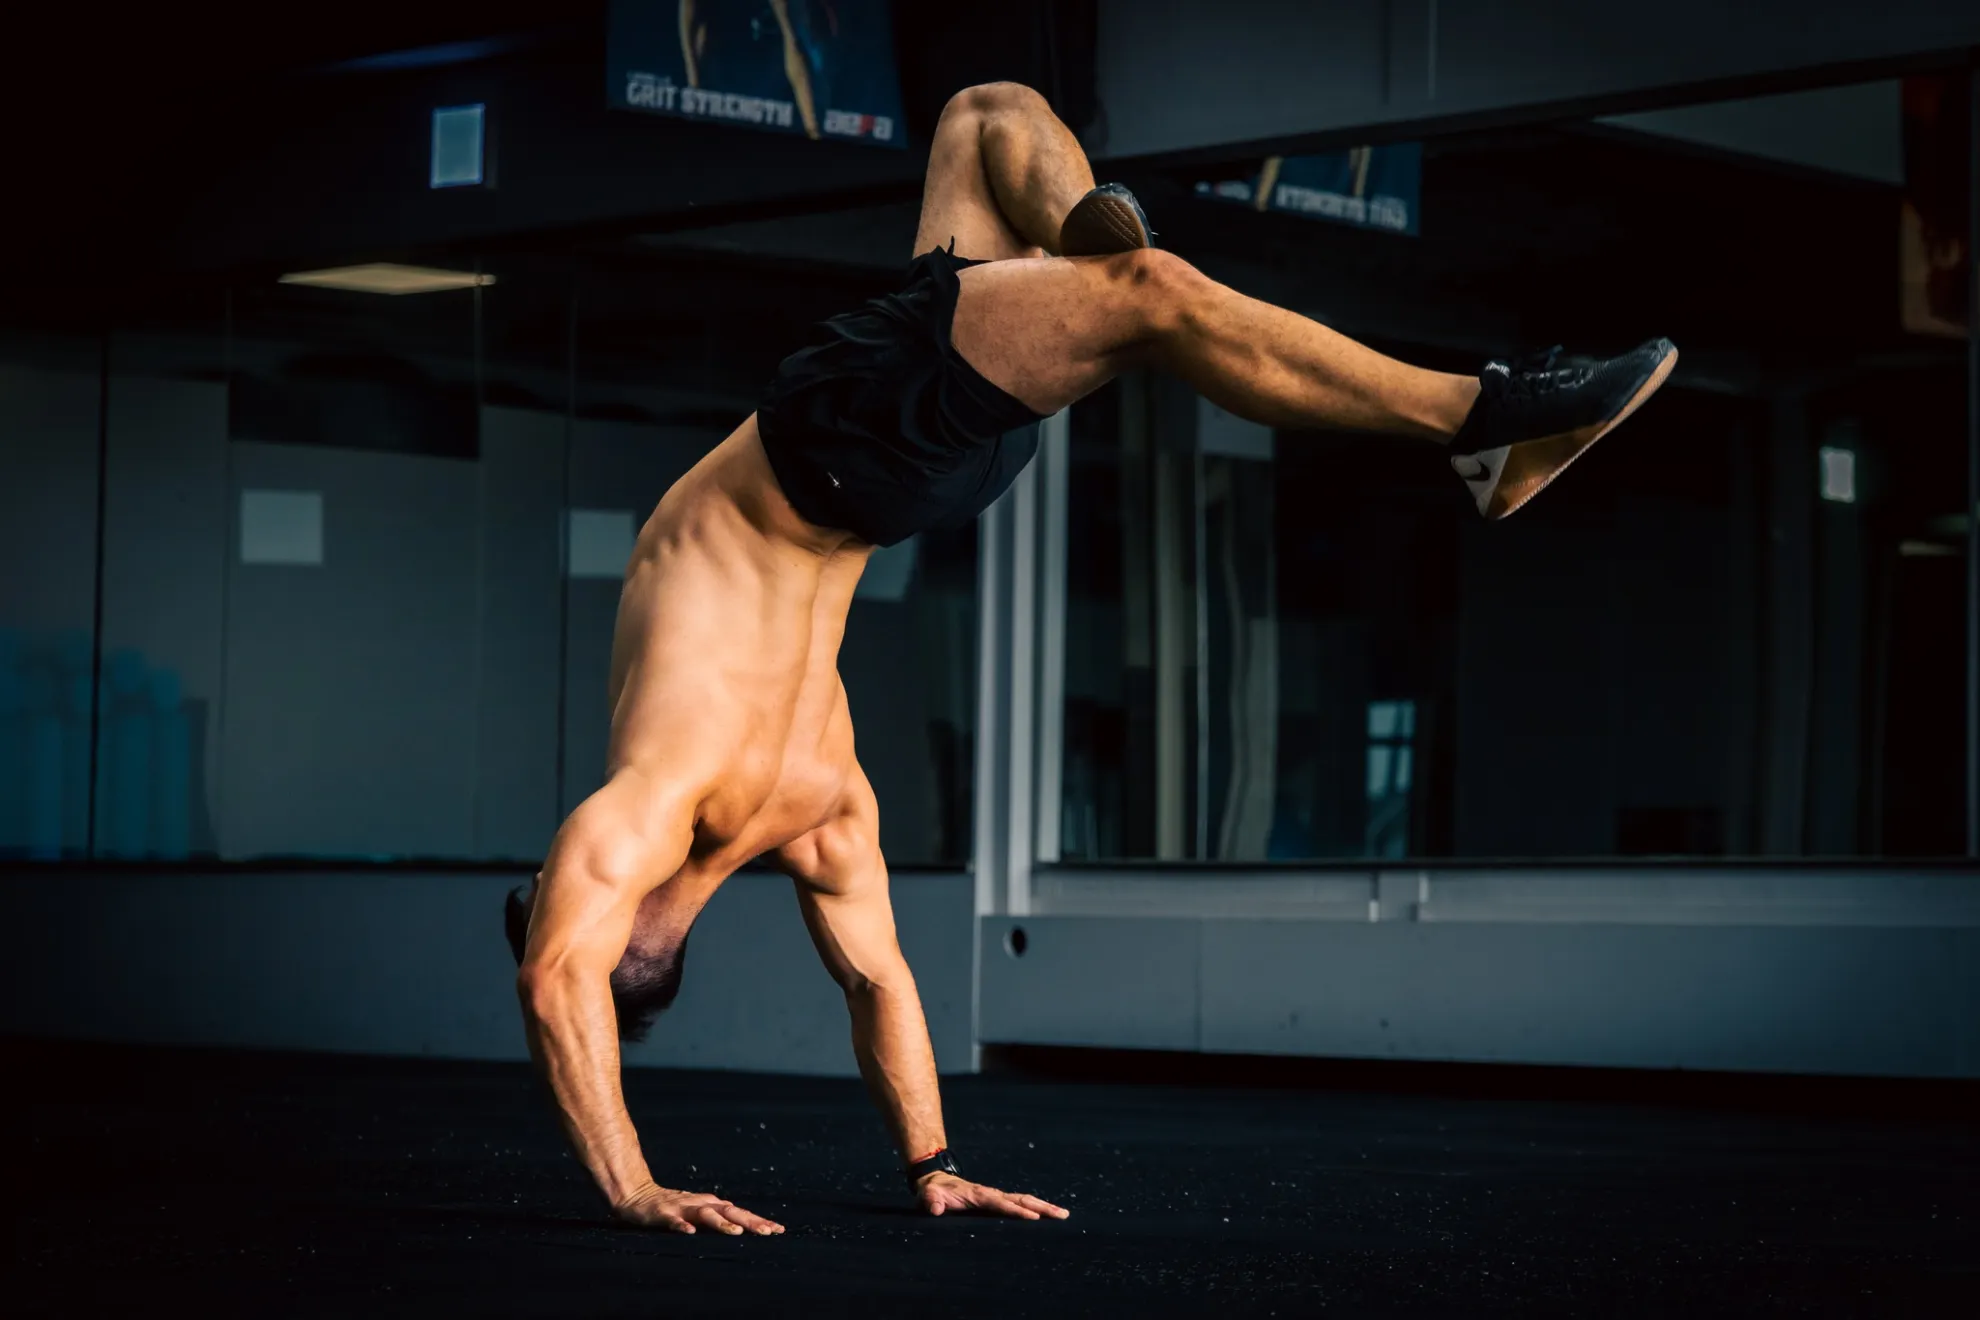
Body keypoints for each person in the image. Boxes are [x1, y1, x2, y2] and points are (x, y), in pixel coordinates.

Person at [505, 81, 1677, 1238]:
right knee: (1151, 294)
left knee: (987, 119)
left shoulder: (818, 812)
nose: (563, 883)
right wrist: (632, 1186)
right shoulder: (671, 796)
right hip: (839, 452)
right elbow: (561, 978)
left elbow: (878, 988)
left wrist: (936, 1164)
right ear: (601, 927)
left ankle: (1089, 247)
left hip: (904, 472)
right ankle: (1483, 422)